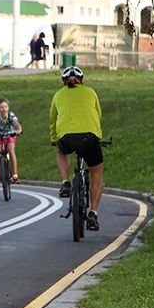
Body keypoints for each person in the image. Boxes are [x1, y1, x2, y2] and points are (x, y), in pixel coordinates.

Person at [51, 66, 104, 231]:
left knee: (61, 151)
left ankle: (66, 182)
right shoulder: (90, 92)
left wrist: (55, 139)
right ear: (81, 80)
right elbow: (98, 114)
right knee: (96, 174)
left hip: (66, 137)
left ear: (64, 82)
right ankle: (93, 214)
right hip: (89, 136)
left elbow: (53, 120)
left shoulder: (58, 95)